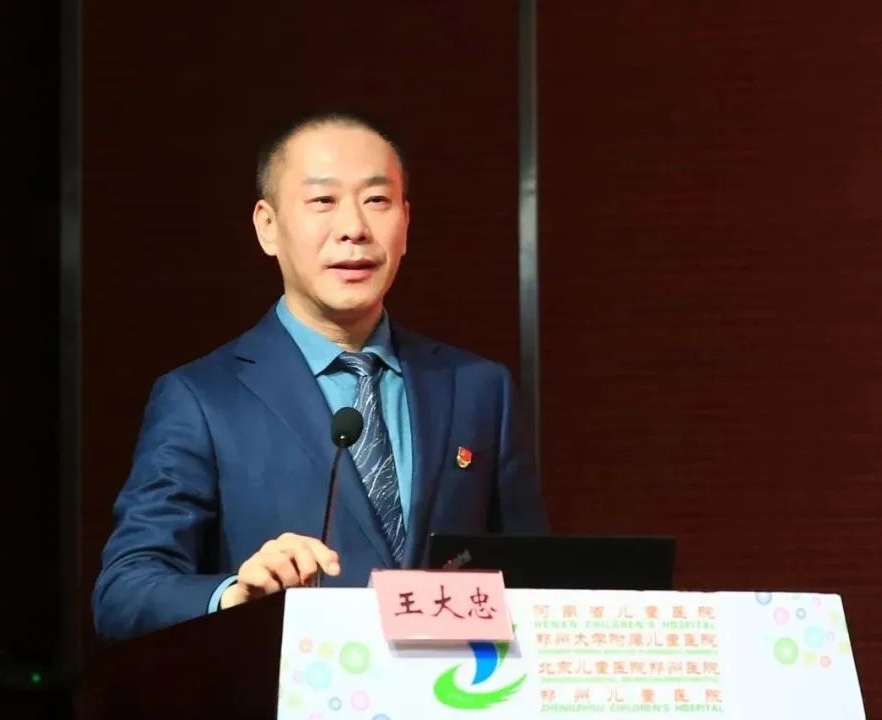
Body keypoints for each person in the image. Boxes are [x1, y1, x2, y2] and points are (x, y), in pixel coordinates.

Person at [92, 111, 548, 641]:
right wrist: (235, 596)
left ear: (405, 222)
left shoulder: (479, 389)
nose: (354, 228)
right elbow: (125, 592)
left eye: (376, 200)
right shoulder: (201, 399)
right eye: (323, 201)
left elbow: (533, 579)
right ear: (268, 227)